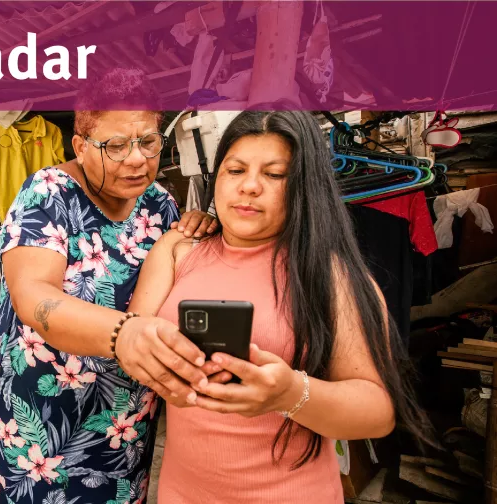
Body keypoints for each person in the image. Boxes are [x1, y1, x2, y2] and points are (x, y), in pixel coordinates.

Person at [126, 110, 433, 503]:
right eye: (235, 170)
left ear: (305, 187)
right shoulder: (178, 249)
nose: (249, 187)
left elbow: (377, 413)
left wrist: (290, 393)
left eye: (274, 175)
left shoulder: (327, 272)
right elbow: (132, 341)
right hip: (183, 492)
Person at [0, 68, 217, 504]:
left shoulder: (160, 203)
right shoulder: (47, 195)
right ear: (81, 146)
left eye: (148, 141)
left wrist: (201, 231)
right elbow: (35, 298)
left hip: (122, 425)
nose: (136, 159)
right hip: (39, 425)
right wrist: (124, 333)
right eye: (116, 146)